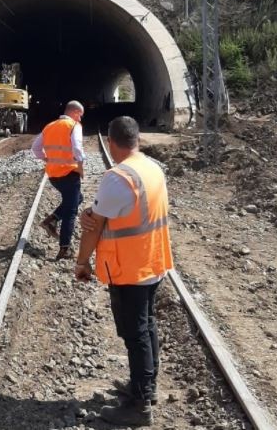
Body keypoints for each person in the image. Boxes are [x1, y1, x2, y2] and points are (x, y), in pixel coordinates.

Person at [75, 116, 173, 427]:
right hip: (153, 260)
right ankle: (146, 387)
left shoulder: (118, 177)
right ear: (137, 139)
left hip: (130, 267)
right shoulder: (152, 167)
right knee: (147, 326)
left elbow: (94, 227)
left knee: (136, 335)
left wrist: (81, 262)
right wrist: (91, 213)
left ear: (112, 141)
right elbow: (118, 212)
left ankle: (140, 405)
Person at [32, 100, 86, 260]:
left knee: (78, 199)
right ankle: (65, 249)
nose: (81, 119)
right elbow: (77, 147)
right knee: (71, 211)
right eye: (80, 115)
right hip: (70, 173)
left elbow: (35, 148)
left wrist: (47, 159)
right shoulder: (74, 126)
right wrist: (81, 166)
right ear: (75, 112)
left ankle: (52, 220)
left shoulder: (50, 126)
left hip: (54, 176)